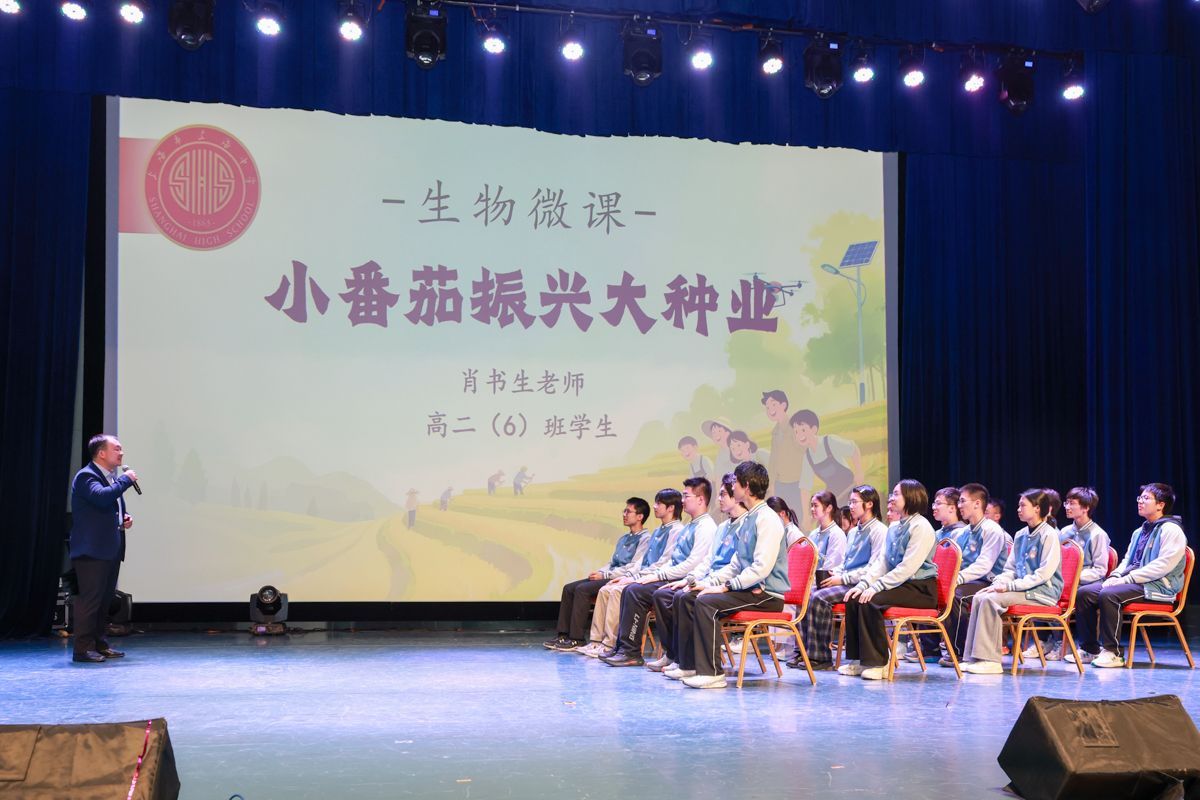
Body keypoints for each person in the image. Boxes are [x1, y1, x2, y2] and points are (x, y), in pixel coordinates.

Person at [669, 461, 790, 689]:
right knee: (688, 597)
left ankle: (713, 673)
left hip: (766, 594)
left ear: (746, 486)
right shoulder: (749, 518)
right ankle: (689, 665)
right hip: (749, 589)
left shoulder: (767, 518)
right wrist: (708, 582)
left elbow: (761, 568)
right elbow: (735, 564)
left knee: (706, 602)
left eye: (735, 482)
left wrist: (726, 587)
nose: (732, 486)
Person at [1071, 483, 1187, 668]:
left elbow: (1162, 566)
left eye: (1146, 498)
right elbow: (1127, 561)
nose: (1140, 501)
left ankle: (1113, 652)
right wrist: (1114, 576)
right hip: (1134, 583)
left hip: (1158, 586)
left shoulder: (1171, 530)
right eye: (1140, 498)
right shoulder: (1139, 531)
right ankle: (1090, 649)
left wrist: (1126, 579)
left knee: (1109, 595)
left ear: (1160, 505)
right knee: (1085, 593)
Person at [604, 478, 716, 667]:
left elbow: (693, 563)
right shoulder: (690, 525)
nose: (682, 500)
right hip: (672, 576)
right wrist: (650, 575)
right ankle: (625, 648)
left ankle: (633, 652)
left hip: (683, 578)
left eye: (686, 496)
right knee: (632, 588)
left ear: (700, 499)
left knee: (638, 592)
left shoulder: (706, 526)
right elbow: (672, 560)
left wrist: (657, 576)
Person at [838, 480, 937, 681]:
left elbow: (907, 567)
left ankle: (879, 663)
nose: (891, 498)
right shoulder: (893, 527)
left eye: (896, 494)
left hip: (920, 588)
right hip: (900, 584)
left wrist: (877, 587)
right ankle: (859, 660)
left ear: (911, 497)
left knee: (871, 601)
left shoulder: (921, 526)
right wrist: (863, 584)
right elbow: (882, 563)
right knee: (855, 598)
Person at [649, 473, 746, 674]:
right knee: (666, 594)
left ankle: (689, 663)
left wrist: (706, 583)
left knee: (685, 598)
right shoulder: (723, 527)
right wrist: (689, 580)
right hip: (710, 579)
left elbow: (736, 567)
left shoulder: (744, 525)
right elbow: (707, 561)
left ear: (737, 496)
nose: (718, 499)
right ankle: (676, 656)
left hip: (727, 584)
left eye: (723, 494)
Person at [959, 489, 1063, 674]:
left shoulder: (1049, 534)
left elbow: (1043, 574)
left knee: (991, 601)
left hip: (1043, 592)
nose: (1018, 509)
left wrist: (1009, 586)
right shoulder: (1021, 534)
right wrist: (997, 584)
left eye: (1023, 505)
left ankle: (990, 660)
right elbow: (1010, 569)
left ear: (1037, 508)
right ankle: (973, 658)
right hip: (1022, 589)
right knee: (980, 596)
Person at [578, 490, 684, 658]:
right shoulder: (658, 531)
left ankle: (610, 643)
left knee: (617, 591)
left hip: (658, 578)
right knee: (605, 589)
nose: (654, 506)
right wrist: (628, 576)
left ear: (671, 508)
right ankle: (597, 641)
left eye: (658, 503)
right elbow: (642, 561)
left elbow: (664, 562)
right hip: (644, 575)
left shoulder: (677, 531)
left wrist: (635, 577)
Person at [797, 484, 887, 670]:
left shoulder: (879, 530)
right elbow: (846, 564)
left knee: (819, 597)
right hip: (847, 580)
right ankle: (805, 652)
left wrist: (842, 579)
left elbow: (874, 568)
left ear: (869, 504)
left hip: (862, 584)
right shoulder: (853, 532)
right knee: (808, 593)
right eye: (850, 502)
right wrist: (836, 573)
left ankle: (821, 657)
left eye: (855, 502)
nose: (850, 506)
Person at [544, 497, 649, 651]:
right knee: (569, 588)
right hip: (610, 574)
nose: (624, 514)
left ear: (640, 516)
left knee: (582, 589)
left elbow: (633, 567)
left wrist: (605, 576)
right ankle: (563, 634)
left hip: (621, 578)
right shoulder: (624, 538)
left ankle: (577, 638)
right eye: (624, 511)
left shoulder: (645, 539)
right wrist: (600, 572)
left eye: (628, 511)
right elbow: (612, 562)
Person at [69, 434, 138, 663]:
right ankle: (82, 649)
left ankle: (100, 644)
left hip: (109, 548)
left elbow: (107, 505)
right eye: (116, 448)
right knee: (90, 601)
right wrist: (126, 480)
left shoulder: (109, 478)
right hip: (92, 550)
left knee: (103, 601)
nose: (121, 453)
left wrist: (122, 517)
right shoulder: (87, 476)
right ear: (101, 453)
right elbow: (100, 498)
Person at [1023, 486, 1110, 660]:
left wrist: (1073, 578)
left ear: (1085, 508)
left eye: (1072, 503)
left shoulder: (1098, 534)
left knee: (1075, 594)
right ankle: (1044, 639)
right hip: (1064, 581)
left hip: (1086, 582)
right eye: (1066, 503)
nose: (1067, 507)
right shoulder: (1064, 532)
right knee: (1039, 587)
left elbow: (1100, 570)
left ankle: (1064, 643)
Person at [939, 483, 1008, 666]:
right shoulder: (962, 532)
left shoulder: (991, 529)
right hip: (967, 581)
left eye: (962, 501)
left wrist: (956, 579)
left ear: (977, 503)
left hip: (988, 582)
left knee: (957, 595)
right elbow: (955, 562)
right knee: (939, 589)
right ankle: (935, 647)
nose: (959, 505)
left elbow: (984, 565)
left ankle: (960, 652)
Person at [791, 409, 863, 528]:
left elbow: (853, 449)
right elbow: (804, 488)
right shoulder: (807, 457)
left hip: (849, 491)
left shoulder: (829, 441)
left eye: (803, 430)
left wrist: (859, 472)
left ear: (814, 429)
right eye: (796, 432)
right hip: (833, 496)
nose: (800, 435)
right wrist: (806, 516)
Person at [761, 390, 804, 510]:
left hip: (796, 483)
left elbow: (803, 452)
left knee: (797, 513)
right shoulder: (775, 432)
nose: (770, 410)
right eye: (767, 407)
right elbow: (773, 460)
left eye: (773, 405)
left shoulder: (795, 427)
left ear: (783, 405)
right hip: (780, 484)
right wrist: (771, 483)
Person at [807, 490, 848, 581]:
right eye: (812, 505)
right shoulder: (813, 534)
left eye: (816, 505)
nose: (812, 509)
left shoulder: (837, 534)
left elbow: (830, 568)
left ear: (829, 508)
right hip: (811, 582)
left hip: (826, 582)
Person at [701, 417, 737, 484]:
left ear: (728, 432)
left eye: (719, 431)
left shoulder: (737, 450)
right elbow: (718, 477)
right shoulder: (720, 455)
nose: (716, 435)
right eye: (713, 433)